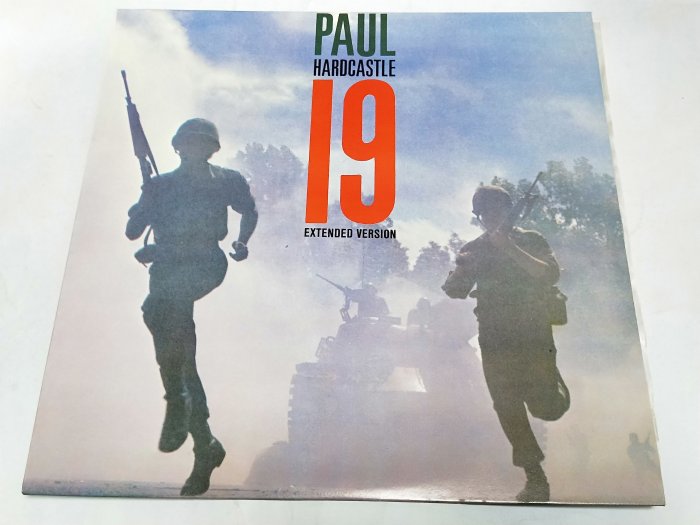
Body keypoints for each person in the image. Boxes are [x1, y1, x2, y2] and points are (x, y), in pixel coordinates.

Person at [125, 118, 258, 496]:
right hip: (167, 267)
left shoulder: (227, 180)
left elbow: (249, 211)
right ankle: (204, 444)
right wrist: (144, 204)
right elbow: (132, 232)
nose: (195, 148)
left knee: (163, 310)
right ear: (178, 147)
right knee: (176, 344)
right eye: (189, 143)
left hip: (203, 263)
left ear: (211, 149)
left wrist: (242, 241)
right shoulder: (161, 185)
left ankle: (176, 402)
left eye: (203, 143)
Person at [442, 185, 569, 502]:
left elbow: (550, 275)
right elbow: (456, 290)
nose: (490, 218)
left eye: (496, 210)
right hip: (494, 339)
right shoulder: (476, 248)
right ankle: (536, 479)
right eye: (484, 213)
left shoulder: (531, 239)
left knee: (547, 408)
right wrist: (461, 268)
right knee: (507, 406)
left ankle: (553, 394)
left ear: (508, 210)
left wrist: (509, 247)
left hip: (533, 335)